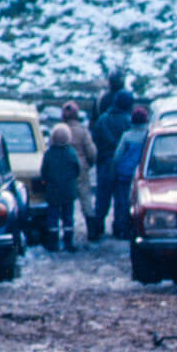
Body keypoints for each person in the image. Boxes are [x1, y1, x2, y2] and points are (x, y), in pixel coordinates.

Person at [91, 89, 134, 238]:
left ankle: (97, 227)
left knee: (102, 197)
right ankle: (119, 228)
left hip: (104, 163)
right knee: (121, 199)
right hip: (122, 166)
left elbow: (94, 139)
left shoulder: (102, 119)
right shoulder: (128, 122)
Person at [106, 105, 150, 241]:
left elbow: (117, 156)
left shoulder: (127, 136)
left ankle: (121, 229)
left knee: (122, 201)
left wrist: (114, 171)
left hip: (124, 173)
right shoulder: (147, 136)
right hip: (141, 174)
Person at [60, 102, 100, 242]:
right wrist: (89, 164)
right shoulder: (82, 131)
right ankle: (92, 232)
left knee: (65, 201)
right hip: (81, 168)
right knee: (86, 200)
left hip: (64, 170)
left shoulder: (59, 131)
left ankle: (66, 234)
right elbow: (92, 151)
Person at [40, 125, 82, 251]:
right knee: (68, 216)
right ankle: (68, 242)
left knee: (53, 216)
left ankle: (53, 242)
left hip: (53, 191)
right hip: (69, 191)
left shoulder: (49, 154)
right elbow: (77, 170)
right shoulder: (71, 153)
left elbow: (44, 171)